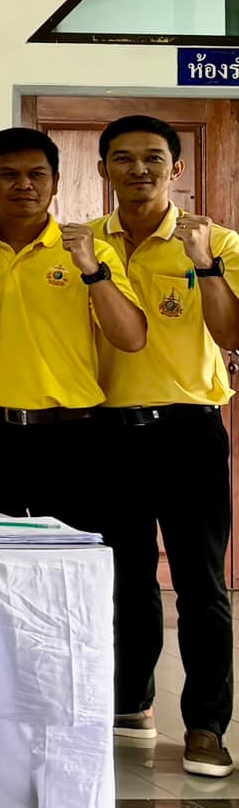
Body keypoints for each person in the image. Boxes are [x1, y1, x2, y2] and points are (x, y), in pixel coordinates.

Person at [88, 115, 239, 774]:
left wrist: (205, 265)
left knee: (201, 585)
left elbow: (231, 334)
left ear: (176, 168)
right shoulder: (84, 242)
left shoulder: (216, 240)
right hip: (105, 430)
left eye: (153, 157)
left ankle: (206, 725)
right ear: (103, 170)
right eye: (123, 158)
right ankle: (130, 701)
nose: (138, 170)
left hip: (188, 430)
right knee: (123, 577)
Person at [0, 129, 144, 528]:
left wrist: (92, 270)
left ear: (55, 183)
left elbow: (130, 338)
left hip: (72, 436)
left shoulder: (92, 252)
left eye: (37, 175)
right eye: (9, 175)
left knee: (70, 557)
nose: (24, 185)